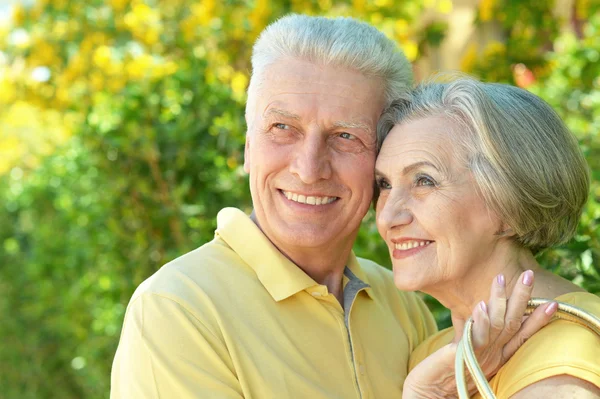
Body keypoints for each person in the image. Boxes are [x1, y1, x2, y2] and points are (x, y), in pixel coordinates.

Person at [110, 16, 551, 398]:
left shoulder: (401, 303)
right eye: (282, 127)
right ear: (248, 148)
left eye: (345, 137)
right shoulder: (178, 309)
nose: (308, 168)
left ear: (383, 160)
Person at [375, 76, 600, 398]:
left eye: (424, 180)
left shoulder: (567, 351)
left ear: (509, 204)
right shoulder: (435, 358)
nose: (386, 216)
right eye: (384, 184)